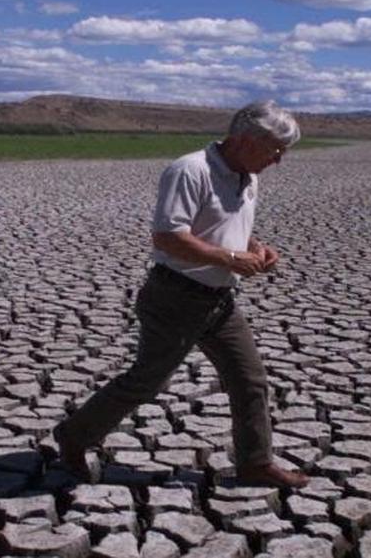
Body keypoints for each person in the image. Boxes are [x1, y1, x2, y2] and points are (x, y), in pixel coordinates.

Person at [53, 100, 309, 488]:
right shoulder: (191, 170)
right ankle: (74, 436)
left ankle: (255, 463)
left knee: (250, 380)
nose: (278, 161)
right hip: (175, 298)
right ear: (243, 139)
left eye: (283, 152)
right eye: (274, 150)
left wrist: (255, 247)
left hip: (219, 301)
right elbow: (168, 236)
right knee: (145, 382)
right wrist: (229, 257)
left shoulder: (247, 175)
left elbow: (226, 225)